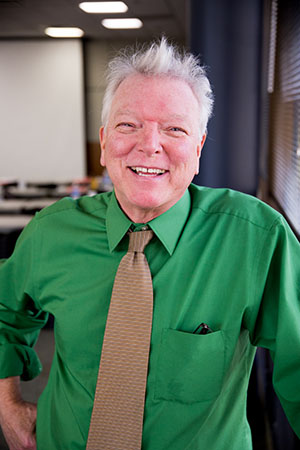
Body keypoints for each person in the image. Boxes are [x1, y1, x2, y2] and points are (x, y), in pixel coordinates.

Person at [0, 37, 300, 450]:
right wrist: (7, 405)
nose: (150, 145)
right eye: (129, 125)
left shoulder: (256, 238)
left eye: (174, 129)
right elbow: (4, 312)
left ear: (198, 148)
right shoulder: (50, 233)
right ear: (104, 143)